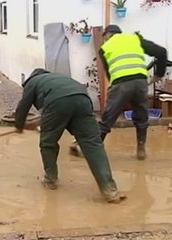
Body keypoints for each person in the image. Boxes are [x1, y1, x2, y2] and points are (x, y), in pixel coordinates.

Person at [15, 68, 126, 204]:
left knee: (48, 143)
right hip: (83, 100)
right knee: (93, 144)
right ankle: (111, 190)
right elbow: (58, 109)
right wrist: (41, 121)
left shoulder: (32, 82)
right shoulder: (57, 79)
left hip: (58, 102)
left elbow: (24, 106)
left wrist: (19, 125)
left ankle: (51, 180)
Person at [70, 25, 167, 160]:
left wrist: (114, 90)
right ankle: (141, 150)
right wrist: (159, 74)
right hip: (140, 82)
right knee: (141, 116)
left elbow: (110, 73)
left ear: (107, 35)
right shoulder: (135, 39)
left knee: (108, 118)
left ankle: (90, 149)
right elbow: (162, 52)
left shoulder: (104, 48)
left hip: (121, 83)